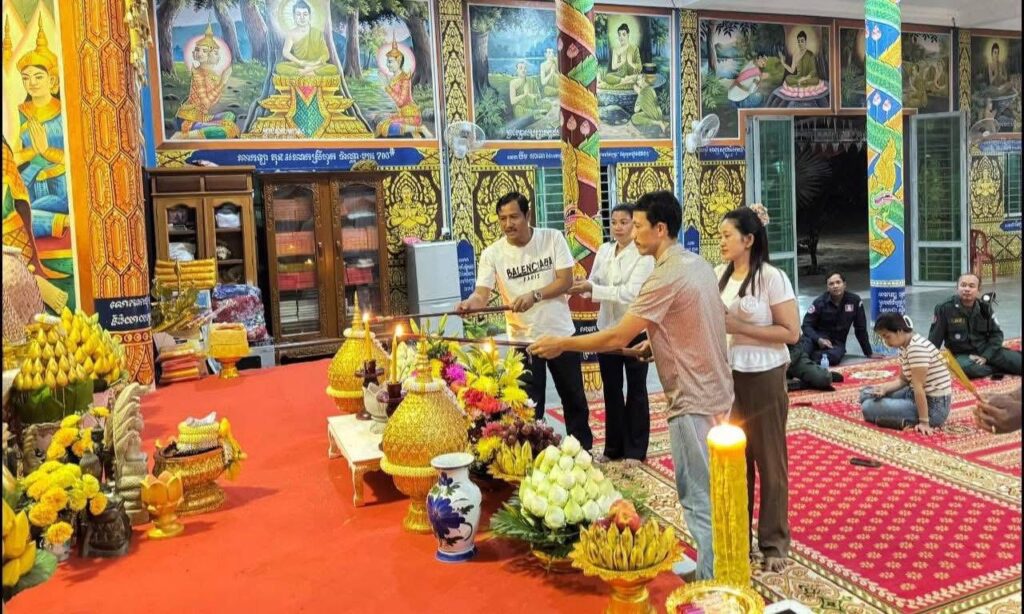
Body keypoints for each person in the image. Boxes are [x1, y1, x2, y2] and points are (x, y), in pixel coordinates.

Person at [529, 190, 733, 581]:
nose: (633, 233)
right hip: (717, 390)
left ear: (661, 229)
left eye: (638, 226)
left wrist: (562, 344)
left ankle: (712, 582)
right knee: (714, 486)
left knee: (698, 496)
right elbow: (698, 319)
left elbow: (615, 336)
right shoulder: (696, 264)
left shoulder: (664, 275)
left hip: (692, 398)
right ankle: (718, 568)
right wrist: (655, 345)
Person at [455, 192, 591, 449]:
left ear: (528, 215)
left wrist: (535, 295)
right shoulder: (492, 253)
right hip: (523, 340)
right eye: (503, 218)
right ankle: (532, 455)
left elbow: (565, 281)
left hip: (560, 334)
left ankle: (583, 451)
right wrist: (469, 304)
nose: (508, 224)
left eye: (514, 217)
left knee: (574, 398)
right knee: (528, 405)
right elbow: (481, 294)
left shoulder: (552, 238)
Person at [716, 204, 800, 573]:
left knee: (769, 459)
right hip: (728, 377)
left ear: (748, 239)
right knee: (735, 459)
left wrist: (739, 327)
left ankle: (774, 541)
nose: (721, 242)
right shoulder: (719, 276)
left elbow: (791, 332)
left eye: (727, 235)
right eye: (720, 236)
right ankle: (739, 537)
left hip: (764, 375)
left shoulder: (771, 278)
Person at [568, 204, 655, 466]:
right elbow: (594, 281)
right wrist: (581, 287)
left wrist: (594, 288)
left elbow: (630, 294)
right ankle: (613, 447)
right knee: (612, 389)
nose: (618, 227)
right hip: (606, 328)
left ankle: (636, 450)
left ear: (635, 225)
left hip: (634, 329)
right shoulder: (605, 250)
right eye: (614, 222)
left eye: (624, 222)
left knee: (636, 389)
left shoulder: (644, 256)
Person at [860, 313, 952, 435]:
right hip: (914, 393)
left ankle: (910, 418)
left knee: (867, 407)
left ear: (899, 331)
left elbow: (919, 387)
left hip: (933, 408)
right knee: (865, 394)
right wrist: (884, 389)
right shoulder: (905, 344)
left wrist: (924, 422)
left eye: (887, 337)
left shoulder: (916, 348)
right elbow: (903, 380)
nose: (886, 342)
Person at [928, 272, 1022, 379]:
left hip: (986, 350)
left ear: (978, 290)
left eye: (971, 286)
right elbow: (934, 340)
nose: (967, 289)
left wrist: (986, 356)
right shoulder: (944, 308)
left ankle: (996, 365)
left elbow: (997, 335)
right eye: (963, 285)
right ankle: (999, 368)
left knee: (1018, 363)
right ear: (957, 288)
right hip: (962, 355)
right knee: (972, 370)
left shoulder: (985, 308)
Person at [174, 25, 239, 140]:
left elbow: (213, 100)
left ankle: (209, 129)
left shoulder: (212, 75)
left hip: (203, 117)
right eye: (214, 52)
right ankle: (187, 135)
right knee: (225, 130)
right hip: (190, 120)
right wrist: (222, 82)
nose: (200, 53)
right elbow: (206, 103)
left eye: (205, 51)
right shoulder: (198, 74)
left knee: (230, 116)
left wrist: (221, 82)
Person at [800, 272, 877, 366]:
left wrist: (868, 352)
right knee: (804, 348)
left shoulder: (854, 301)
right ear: (827, 287)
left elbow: (860, 328)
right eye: (831, 284)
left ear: (844, 284)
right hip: (816, 339)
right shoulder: (819, 302)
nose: (835, 286)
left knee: (834, 357)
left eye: (838, 282)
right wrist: (819, 339)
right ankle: (805, 358)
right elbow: (806, 325)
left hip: (836, 343)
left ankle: (806, 360)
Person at [375, 40, 431, 138]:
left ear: (399, 61)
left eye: (390, 61)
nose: (387, 64)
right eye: (387, 62)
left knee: (388, 127)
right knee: (381, 126)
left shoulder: (405, 78)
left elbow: (401, 102)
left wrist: (387, 87)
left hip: (411, 114)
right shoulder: (392, 79)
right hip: (401, 114)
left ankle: (420, 129)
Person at [275, 0, 339, 77]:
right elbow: (285, 52)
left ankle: (304, 72)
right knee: (280, 67)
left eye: (305, 14)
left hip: (315, 64)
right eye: (298, 14)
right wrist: (300, 62)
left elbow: (326, 54)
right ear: (294, 17)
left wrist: (314, 64)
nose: (302, 18)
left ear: (310, 16)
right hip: (299, 64)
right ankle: (310, 73)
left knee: (333, 68)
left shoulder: (317, 33)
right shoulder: (291, 34)